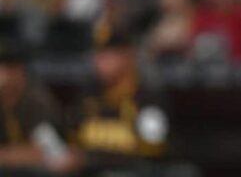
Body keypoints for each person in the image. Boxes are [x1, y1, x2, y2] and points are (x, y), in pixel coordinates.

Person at [70, 17, 169, 174]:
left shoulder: (148, 98)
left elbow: (152, 154)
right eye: (97, 54)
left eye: (107, 55)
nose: (99, 61)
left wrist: (92, 159)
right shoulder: (89, 94)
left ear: (128, 56)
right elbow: (73, 144)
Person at [0, 38, 79, 174]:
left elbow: (56, 156)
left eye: (8, 67)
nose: (3, 75)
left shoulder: (35, 102)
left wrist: (8, 155)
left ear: (20, 70)